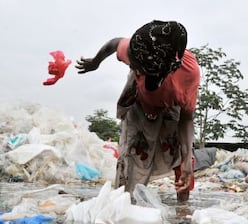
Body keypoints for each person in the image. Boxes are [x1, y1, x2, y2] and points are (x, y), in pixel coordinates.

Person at [75, 20, 200, 202]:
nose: (132, 66)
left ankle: (183, 209)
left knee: (181, 158)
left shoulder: (187, 74)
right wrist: (95, 62)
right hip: (139, 102)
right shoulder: (139, 49)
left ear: (157, 70)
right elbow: (114, 43)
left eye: (137, 66)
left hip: (170, 104)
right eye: (132, 63)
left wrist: (187, 159)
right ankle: (124, 204)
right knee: (132, 155)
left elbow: (186, 119)